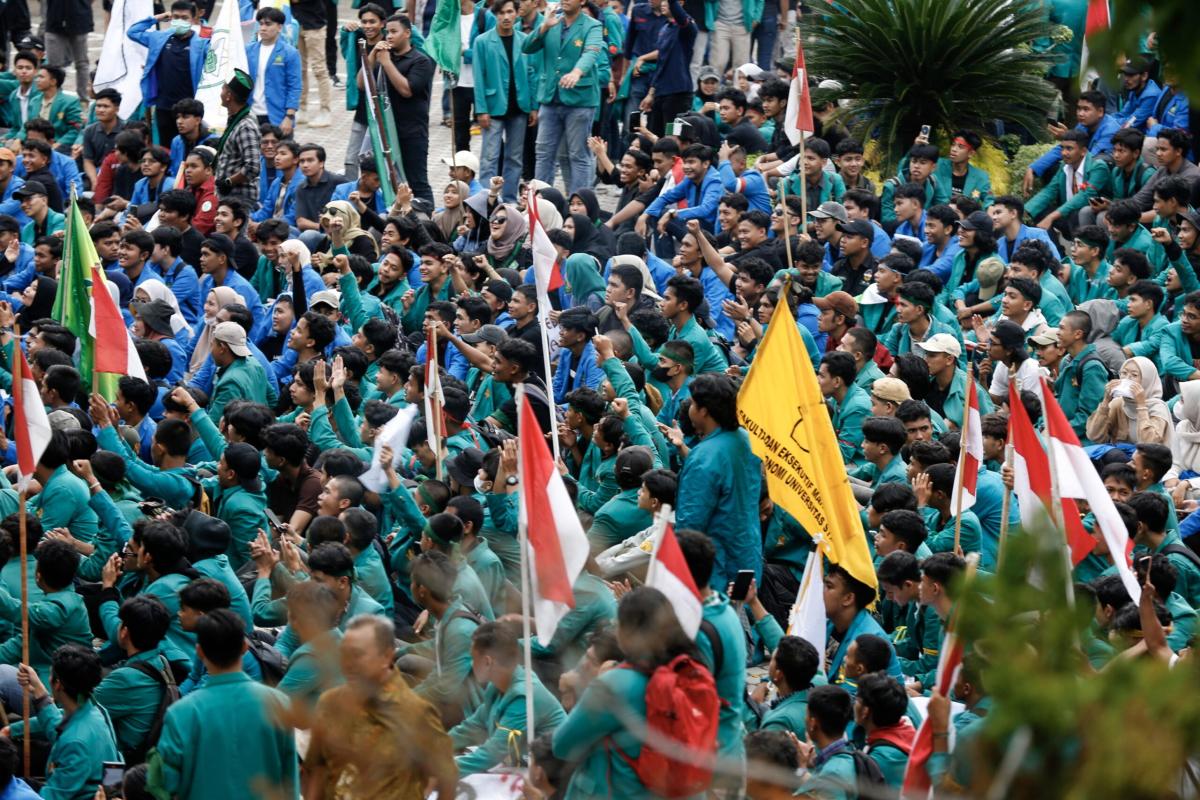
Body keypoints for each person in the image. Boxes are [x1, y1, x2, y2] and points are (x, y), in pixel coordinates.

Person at [149, 609, 299, 798]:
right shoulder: (279, 704)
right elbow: (290, 779)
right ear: (245, 647)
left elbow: (162, 785)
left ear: (200, 652)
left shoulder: (182, 712)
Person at [306, 615, 458, 798]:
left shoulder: (416, 713)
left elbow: (446, 776)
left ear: (387, 656)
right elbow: (315, 769)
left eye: (357, 655)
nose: (347, 664)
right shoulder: (330, 703)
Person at [675, 373, 762, 588]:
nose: (690, 409)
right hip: (748, 556)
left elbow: (690, 524)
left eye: (694, 404)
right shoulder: (746, 438)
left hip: (717, 571)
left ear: (704, 411)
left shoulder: (704, 457)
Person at [2, 646, 120, 800]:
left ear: (57, 684)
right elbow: (58, 727)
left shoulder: (75, 742)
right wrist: (39, 692)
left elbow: (52, 796)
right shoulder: (95, 711)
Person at [449, 622, 566, 774]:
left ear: (487, 662)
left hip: (552, 774)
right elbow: (473, 726)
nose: (471, 664)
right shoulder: (497, 686)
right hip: (523, 765)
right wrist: (433, 747)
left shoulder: (523, 696)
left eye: (473, 658)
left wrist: (443, 772)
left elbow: (494, 752)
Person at [523, 0, 604, 193]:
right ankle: (541, 202)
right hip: (550, 99)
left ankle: (579, 205)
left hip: (580, 100)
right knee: (543, 153)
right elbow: (527, 47)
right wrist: (543, 27)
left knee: (578, 155)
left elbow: (591, 53)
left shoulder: (593, 25)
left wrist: (577, 72)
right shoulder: (551, 21)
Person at [473, 0, 533, 204]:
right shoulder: (482, 41)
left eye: (510, 12)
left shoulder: (525, 40)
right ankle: (484, 200)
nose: (506, 17)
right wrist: (481, 109)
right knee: (489, 158)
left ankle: (509, 199)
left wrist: (533, 106)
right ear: (495, 15)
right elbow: (478, 78)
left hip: (519, 107)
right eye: (501, 13)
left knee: (514, 158)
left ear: (517, 13)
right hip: (493, 106)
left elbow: (531, 73)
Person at [128, 2, 211, 147]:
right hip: (164, 106)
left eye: (184, 18)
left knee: (190, 148)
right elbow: (133, 32)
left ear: (193, 19)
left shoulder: (202, 44)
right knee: (166, 148)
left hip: (189, 108)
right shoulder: (159, 38)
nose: (180, 21)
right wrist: (158, 18)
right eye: (176, 17)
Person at [372, 14, 435, 205]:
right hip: (387, 132)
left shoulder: (421, 61)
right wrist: (373, 54)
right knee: (390, 182)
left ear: (407, 33)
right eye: (386, 32)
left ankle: (427, 222)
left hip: (412, 132)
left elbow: (407, 90)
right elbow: (361, 83)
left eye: (393, 32)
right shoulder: (383, 57)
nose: (388, 36)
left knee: (417, 182)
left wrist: (387, 63)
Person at [246, 7, 302, 133]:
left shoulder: (290, 53)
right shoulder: (248, 50)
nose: (263, 28)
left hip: (277, 117)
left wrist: (289, 116)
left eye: (268, 24)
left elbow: (295, 87)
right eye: (260, 24)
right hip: (250, 115)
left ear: (279, 27)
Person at [213, 70, 261, 208]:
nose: (220, 93)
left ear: (229, 96)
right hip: (229, 199)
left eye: (223, 89)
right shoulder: (235, 119)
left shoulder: (246, 126)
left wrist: (229, 182)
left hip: (240, 200)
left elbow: (252, 167)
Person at [293, 0, 334, 127]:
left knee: (319, 69)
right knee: (299, 69)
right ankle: (302, 108)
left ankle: (325, 111)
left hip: (314, 24)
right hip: (295, 24)